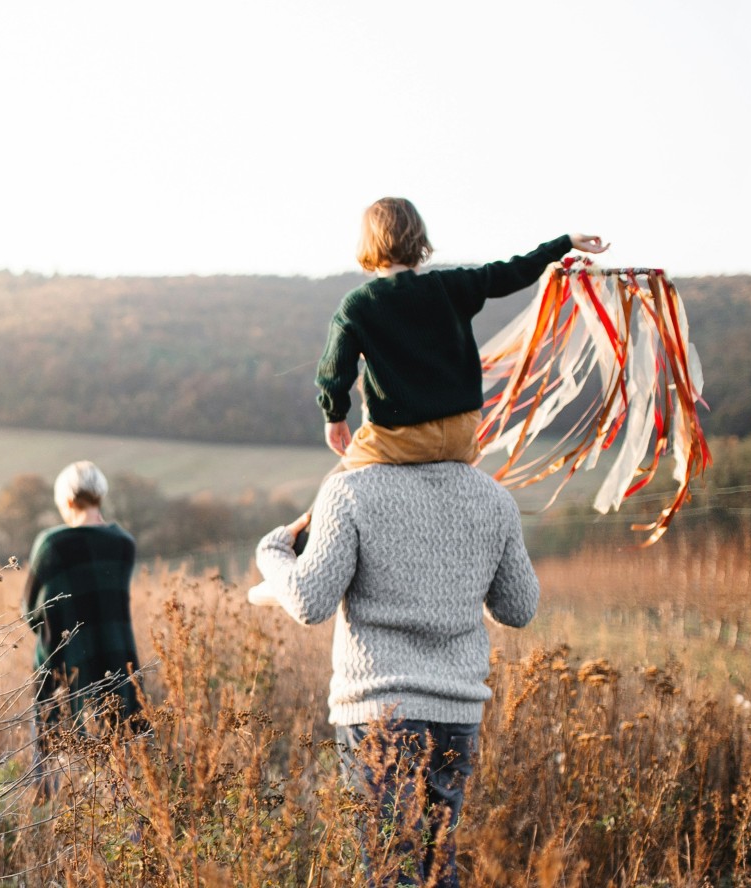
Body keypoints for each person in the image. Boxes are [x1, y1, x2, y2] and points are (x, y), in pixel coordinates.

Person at [248, 460, 539, 887]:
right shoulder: (494, 497)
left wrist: (273, 552)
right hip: (456, 714)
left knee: (391, 867)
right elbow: (518, 608)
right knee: (438, 866)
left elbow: (310, 603)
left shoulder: (349, 490)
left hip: (379, 712)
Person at [317, 197, 609, 470]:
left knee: (338, 481)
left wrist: (335, 417)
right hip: (462, 436)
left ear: (367, 242)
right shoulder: (452, 285)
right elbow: (511, 272)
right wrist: (565, 243)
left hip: (401, 440)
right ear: (419, 238)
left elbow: (335, 371)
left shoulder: (356, 306)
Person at [22, 460, 143, 753]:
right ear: (100, 495)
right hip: (117, 662)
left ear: (66, 501)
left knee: (60, 759)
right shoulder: (124, 544)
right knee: (121, 755)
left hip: (65, 667)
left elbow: (31, 611)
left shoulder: (52, 545)